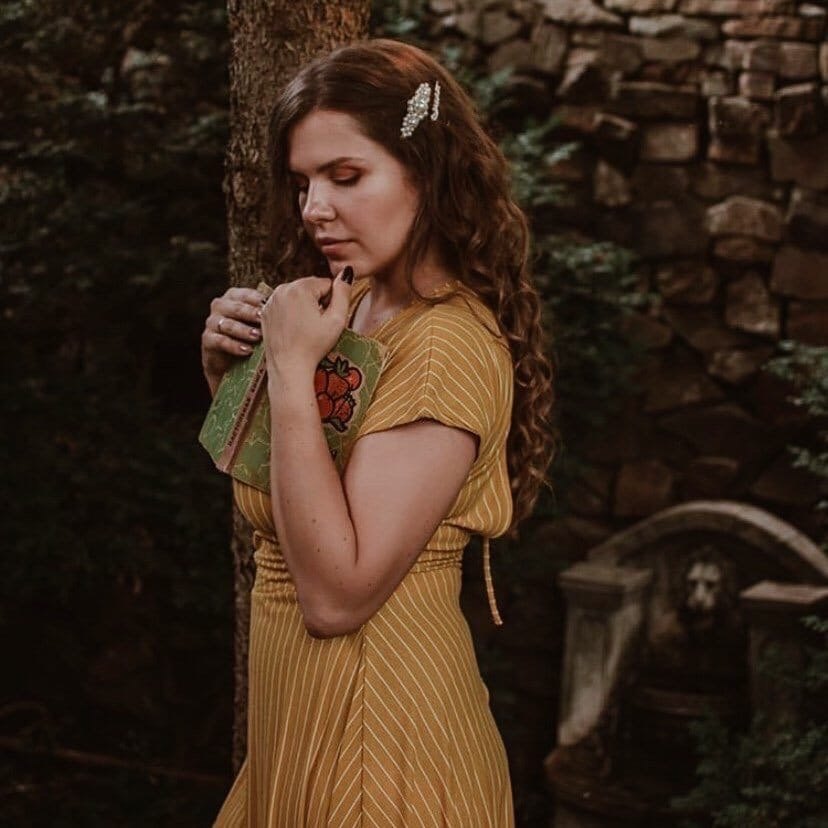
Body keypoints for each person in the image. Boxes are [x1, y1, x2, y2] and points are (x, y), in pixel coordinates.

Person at [201, 38, 555, 827]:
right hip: (303, 733)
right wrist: (231, 378)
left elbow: (335, 597)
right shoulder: (352, 309)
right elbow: (295, 506)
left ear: (427, 173)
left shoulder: (442, 348)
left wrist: (290, 369)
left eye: (346, 176)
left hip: (381, 746)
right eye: (303, 183)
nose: (314, 208)